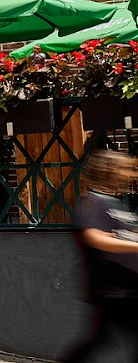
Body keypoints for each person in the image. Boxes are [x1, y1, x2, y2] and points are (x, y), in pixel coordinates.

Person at [63, 149, 138, 363]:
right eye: (127, 168)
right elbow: (94, 237)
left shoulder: (117, 204)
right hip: (113, 291)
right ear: (108, 172)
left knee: (98, 341)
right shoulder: (94, 203)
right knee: (99, 341)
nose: (132, 174)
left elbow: (124, 234)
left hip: (127, 289)